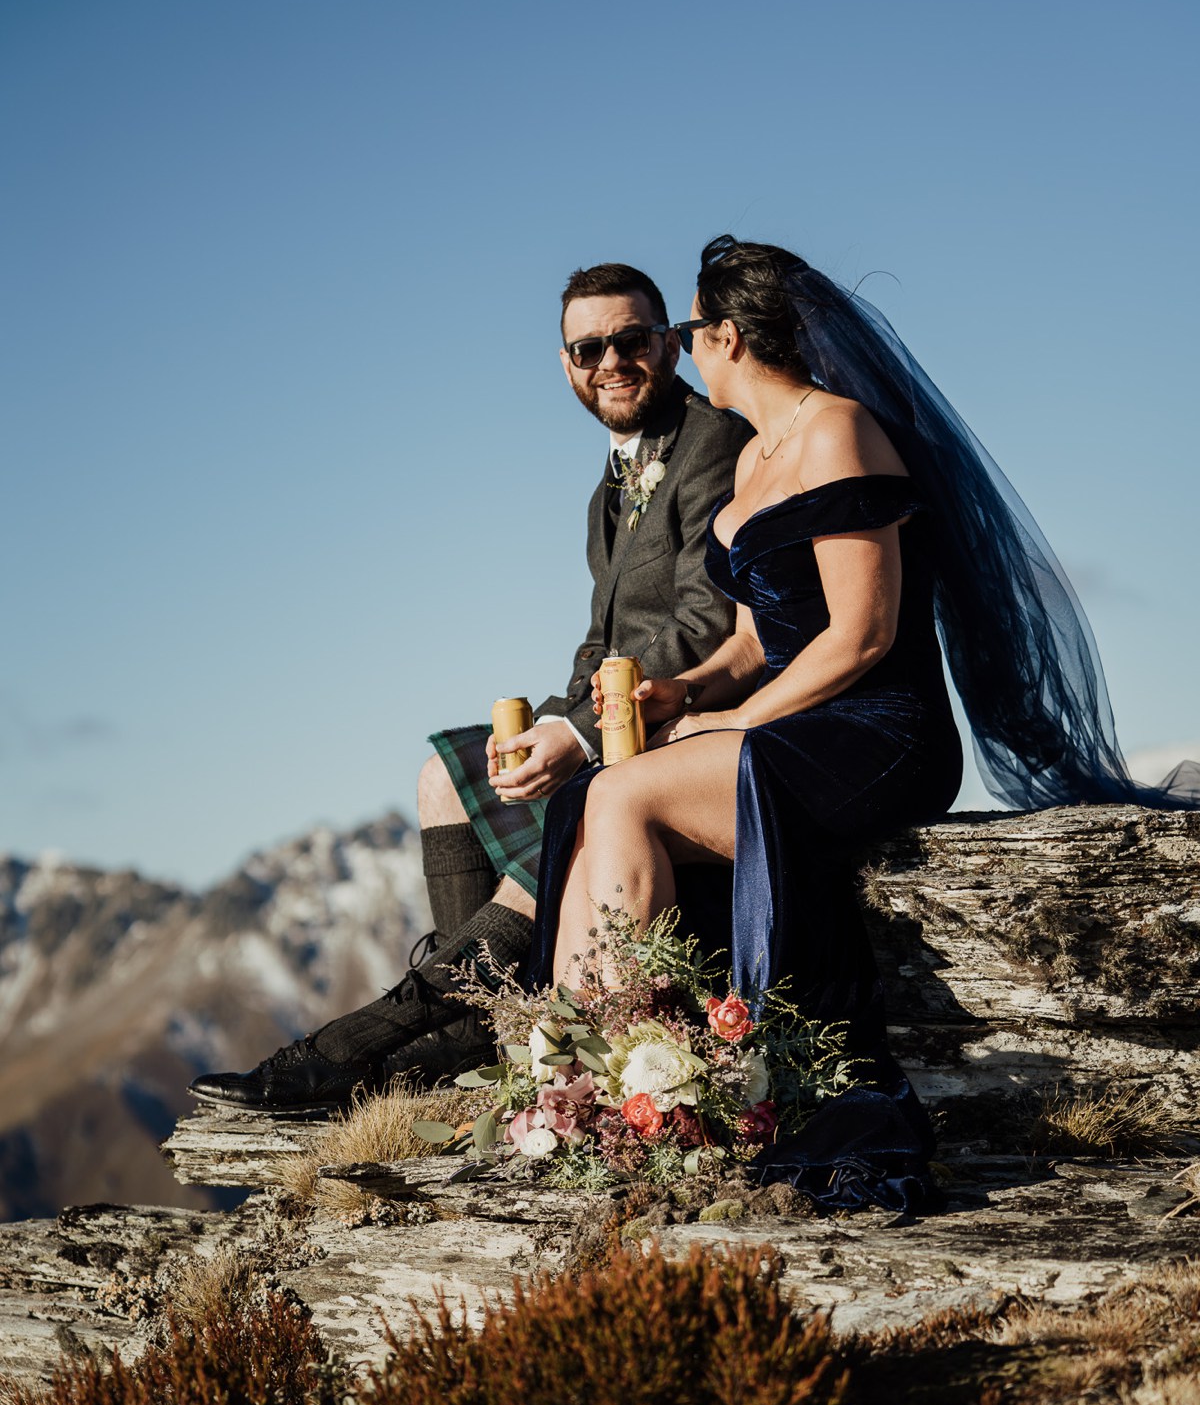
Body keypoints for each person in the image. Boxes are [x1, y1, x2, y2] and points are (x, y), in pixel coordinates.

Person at [526, 234, 1200, 1213]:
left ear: (725, 335)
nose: (683, 353)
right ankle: (588, 1080)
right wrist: (691, 694)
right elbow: (756, 643)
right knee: (593, 796)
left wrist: (741, 728)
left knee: (622, 791)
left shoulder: (840, 432)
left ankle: (646, 1079)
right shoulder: (754, 458)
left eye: (685, 332)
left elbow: (864, 633)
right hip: (791, 725)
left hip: (881, 732)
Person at [189, 262, 750, 1113]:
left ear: (670, 345)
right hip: (612, 720)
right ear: (564, 363)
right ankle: (475, 1029)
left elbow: (706, 625)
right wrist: (554, 728)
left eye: (632, 340)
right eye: (589, 346)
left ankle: (346, 1049)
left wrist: (581, 734)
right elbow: (599, 645)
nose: (612, 361)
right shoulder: (608, 486)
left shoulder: (711, 444)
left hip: (679, 732)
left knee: (567, 819)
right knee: (445, 773)